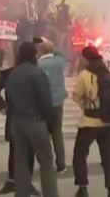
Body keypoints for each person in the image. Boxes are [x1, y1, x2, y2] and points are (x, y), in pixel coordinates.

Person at [5, 42, 59, 197]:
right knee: (46, 162)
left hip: (17, 121)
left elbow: (8, 99)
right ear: (33, 55)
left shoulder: (13, 73)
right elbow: (45, 100)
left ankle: (21, 193)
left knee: (20, 162)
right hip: (35, 120)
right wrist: (52, 121)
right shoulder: (37, 73)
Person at [71, 46, 110, 197]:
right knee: (108, 157)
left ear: (85, 59)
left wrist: (85, 102)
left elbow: (77, 95)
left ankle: (82, 187)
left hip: (90, 122)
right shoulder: (108, 74)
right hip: (109, 123)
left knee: (80, 154)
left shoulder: (85, 75)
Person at [0, 59, 39, 195]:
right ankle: (12, 181)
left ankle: (26, 182)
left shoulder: (35, 73)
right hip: (17, 116)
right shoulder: (11, 73)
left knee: (28, 150)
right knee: (15, 149)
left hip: (29, 116)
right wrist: (2, 106)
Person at [37, 40, 68, 174]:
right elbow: (61, 53)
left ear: (40, 51)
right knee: (57, 132)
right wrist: (51, 45)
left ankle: (46, 163)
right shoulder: (59, 62)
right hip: (58, 103)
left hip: (43, 104)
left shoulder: (37, 65)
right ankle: (61, 164)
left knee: (43, 134)